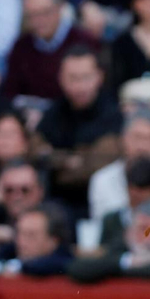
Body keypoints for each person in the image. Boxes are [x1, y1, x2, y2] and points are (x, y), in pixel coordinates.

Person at [34, 48, 124, 208]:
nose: (80, 86)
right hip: (54, 201)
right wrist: (72, 159)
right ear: (61, 78)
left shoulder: (113, 113)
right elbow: (37, 152)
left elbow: (98, 164)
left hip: (99, 202)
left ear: (99, 77)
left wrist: (56, 160)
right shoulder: (54, 112)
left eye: (86, 77)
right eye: (73, 78)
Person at [1, 0, 103, 116]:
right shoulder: (20, 48)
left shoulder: (86, 41)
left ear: (60, 7)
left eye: (45, 12)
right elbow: (11, 94)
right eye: (32, 15)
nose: (39, 21)